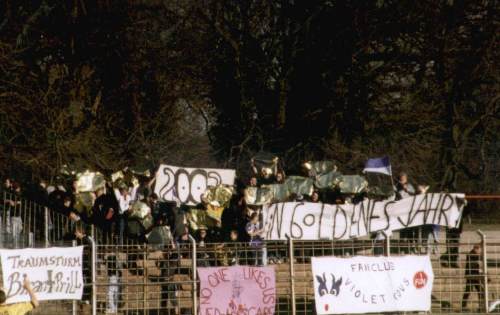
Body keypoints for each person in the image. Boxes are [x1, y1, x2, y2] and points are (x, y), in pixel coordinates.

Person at [462, 244, 484, 310]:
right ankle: (464, 306)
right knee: (475, 290)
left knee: (478, 290)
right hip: (472, 276)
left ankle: (480, 306)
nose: (480, 252)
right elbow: (479, 259)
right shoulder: (472, 254)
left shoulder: (472, 254)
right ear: (476, 249)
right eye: (479, 250)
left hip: (473, 276)